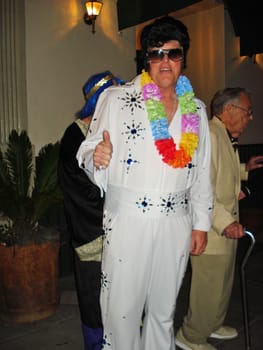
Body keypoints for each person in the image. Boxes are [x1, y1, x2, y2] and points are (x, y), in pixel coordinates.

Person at [77, 16, 213, 350]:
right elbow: (87, 147)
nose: (165, 61)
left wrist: (201, 223)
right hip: (129, 222)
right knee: (122, 310)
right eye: (156, 53)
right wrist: (98, 155)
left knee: (164, 311)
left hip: (176, 223)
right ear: (146, 59)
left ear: (183, 58)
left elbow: (202, 169)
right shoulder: (117, 99)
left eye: (173, 53)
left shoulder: (195, 109)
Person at [175, 87, 263, 350]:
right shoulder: (210, 136)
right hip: (212, 230)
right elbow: (203, 188)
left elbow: (222, 171)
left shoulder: (221, 134)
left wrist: (245, 169)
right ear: (228, 111)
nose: (250, 118)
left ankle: (211, 324)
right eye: (247, 112)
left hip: (226, 227)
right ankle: (191, 336)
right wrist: (225, 223)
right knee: (208, 288)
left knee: (223, 284)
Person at [58, 71, 124, 350]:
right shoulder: (75, 136)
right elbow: (80, 192)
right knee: (94, 296)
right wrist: (113, 214)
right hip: (93, 232)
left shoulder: (106, 132)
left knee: (120, 296)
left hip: (118, 228)